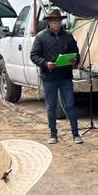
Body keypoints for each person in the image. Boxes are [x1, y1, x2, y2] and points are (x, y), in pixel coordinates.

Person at [29, 8, 83, 146]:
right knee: (51, 107)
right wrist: (46, 63)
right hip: (49, 77)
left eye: (58, 21)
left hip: (65, 76)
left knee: (70, 105)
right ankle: (53, 134)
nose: (56, 24)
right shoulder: (41, 37)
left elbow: (76, 53)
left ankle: (76, 134)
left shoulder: (68, 36)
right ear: (48, 22)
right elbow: (33, 55)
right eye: (54, 21)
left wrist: (74, 60)